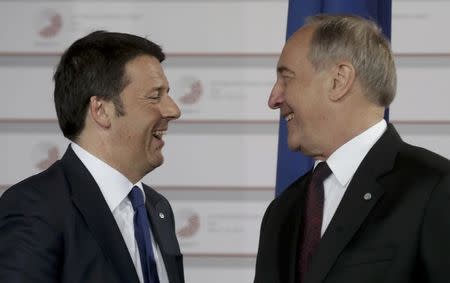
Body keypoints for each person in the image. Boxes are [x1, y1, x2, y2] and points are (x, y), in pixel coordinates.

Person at [254, 14, 450, 283]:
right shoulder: (281, 212)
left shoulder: (436, 188)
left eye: (286, 78)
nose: (273, 99)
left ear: (338, 80)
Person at [0, 31, 184, 283]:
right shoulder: (35, 207)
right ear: (101, 110)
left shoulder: (157, 207)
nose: (174, 109)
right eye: (155, 96)